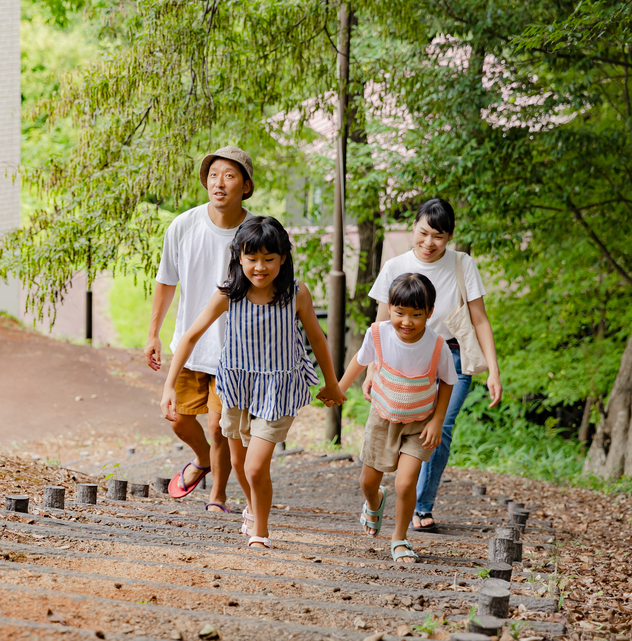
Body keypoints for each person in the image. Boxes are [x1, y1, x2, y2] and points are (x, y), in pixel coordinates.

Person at [160, 216, 346, 548]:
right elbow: (190, 337)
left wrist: (332, 384)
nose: (260, 267)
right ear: (239, 258)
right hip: (237, 388)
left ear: (283, 259)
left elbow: (318, 341)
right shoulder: (229, 294)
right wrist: (169, 385)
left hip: (277, 390)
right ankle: (251, 508)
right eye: (252, 258)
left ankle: (260, 532)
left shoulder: (295, 294)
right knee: (238, 463)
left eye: (269, 259)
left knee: (255, 466)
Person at [364, 198, 503, 532]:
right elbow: (382, 322)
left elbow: (480, 319)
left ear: (450, 236)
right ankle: (384, 493)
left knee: (440, 429)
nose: (429, 243)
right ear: (413, 227)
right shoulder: (395, 266)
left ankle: (421, 506)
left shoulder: (462, 264)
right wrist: (371, 369)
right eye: (423, 233)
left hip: (450, 357)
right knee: (392, 424)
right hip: (401, 361)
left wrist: (494, 370)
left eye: (438, 236)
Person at [145, 146, 255, 512]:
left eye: (228, 175)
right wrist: (153, 333)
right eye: (213, 175)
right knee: (178, 419)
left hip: (235, 351)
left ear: (246, 185)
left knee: (219, 426)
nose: (218, 183)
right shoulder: (183, 225)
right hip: (190, 345)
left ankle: (217, 496)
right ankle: (204, 459)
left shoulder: (256, 233)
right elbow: (166, 281)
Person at [338, 273, 457, 563]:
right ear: (389, 307)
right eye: (399, 312)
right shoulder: (377, 333)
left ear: (429, 313)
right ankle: (374, 501)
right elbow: (360, 361)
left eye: (416, 314)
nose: (406, 322)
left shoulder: (437, 345)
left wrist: (437, 420)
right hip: (383, 417)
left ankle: (400, 539)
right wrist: (338, 389)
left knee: (405, 483)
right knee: (367, 482)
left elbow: (448, 382)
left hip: (420, 423)